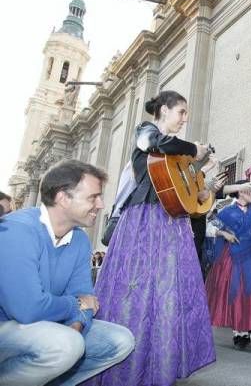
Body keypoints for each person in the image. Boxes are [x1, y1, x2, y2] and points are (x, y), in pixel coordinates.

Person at [87, 91, 216, 386]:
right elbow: (152, 143)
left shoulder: (178, 155)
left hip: (172, 224)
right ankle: (124, 365)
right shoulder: (146, 131)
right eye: (181, 112)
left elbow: (182, 191)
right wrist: (193, 148)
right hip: (144, 221)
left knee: (168, 293)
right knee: (137, 290)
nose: (185, 118)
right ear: (164, 110)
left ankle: (160, 364)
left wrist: (201, 187)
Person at [0, 160, 134, 386]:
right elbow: (28, 309)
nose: (101, 204)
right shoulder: (16, 230)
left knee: (121, 341)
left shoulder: (79, 239)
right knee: (65, 345)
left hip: (49, 324)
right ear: (63, 198)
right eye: (93, 197)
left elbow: (85, 295)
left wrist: (76, 326)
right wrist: (75, 305)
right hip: (7, 327)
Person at [205, 182, 251, 349]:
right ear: (239, 192)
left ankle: (249, 327)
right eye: (247, 190)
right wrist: (224, 234)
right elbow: (210, 227)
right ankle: (239, 332)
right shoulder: (227, 211)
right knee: (236, 294)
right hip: (233, 258)